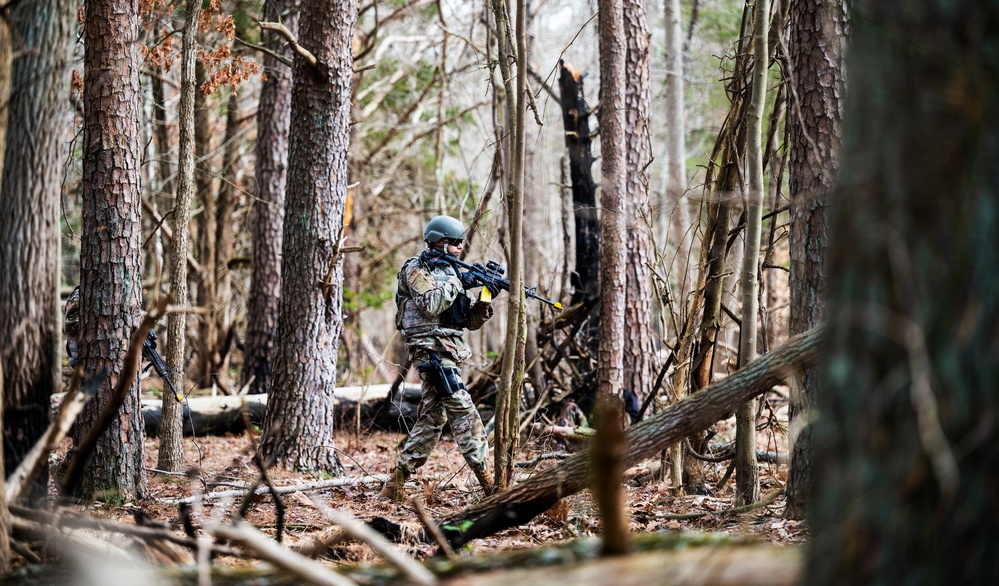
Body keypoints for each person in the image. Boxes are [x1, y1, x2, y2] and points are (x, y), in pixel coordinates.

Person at [381, 215, 497, 502]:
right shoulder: (415, 268)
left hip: (448, 351)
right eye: (454, 242)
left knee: (432, 420)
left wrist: (485, 295)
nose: (459, 248)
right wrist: (459, 280)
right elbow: (432, 303)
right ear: (438, 242)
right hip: (430, 351)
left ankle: (393, 486)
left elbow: (469, 321)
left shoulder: (451, 272)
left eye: (461, 243)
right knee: (464, 412)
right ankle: (491, 486)